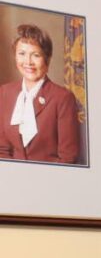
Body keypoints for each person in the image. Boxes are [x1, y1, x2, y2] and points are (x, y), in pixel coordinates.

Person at [0, 23, 79, 163]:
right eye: (22, 54)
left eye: (36, 55)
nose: (28, 62)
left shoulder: (63, 98)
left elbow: (68, 157)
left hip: (50, 181)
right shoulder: (5, 93)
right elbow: (2, 150)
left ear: (47, 59)